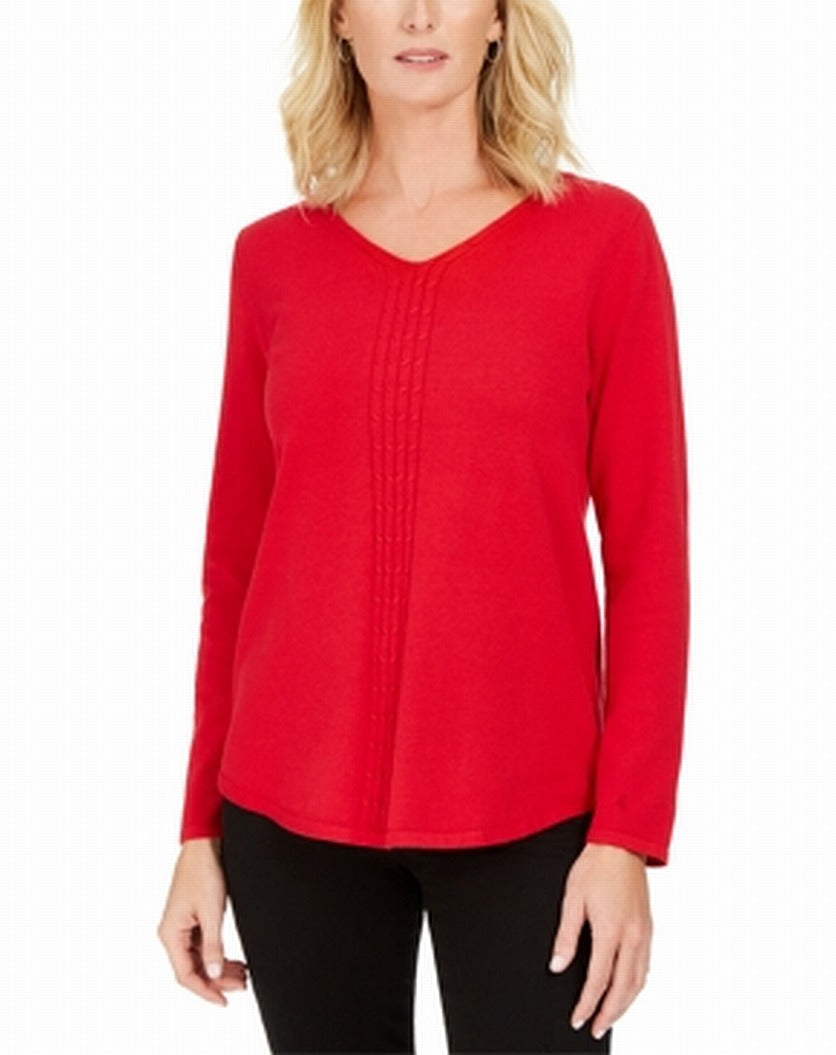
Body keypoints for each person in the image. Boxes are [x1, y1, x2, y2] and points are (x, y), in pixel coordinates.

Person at [157, 1, 690, 1052]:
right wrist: (197, 829)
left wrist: (627, 831)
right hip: (286, 814)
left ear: (498, 21)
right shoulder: (272, 259)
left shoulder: (603, 240)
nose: (418, 14)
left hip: (534, 815)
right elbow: (236, 565)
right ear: (338, 21)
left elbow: (650, 560)